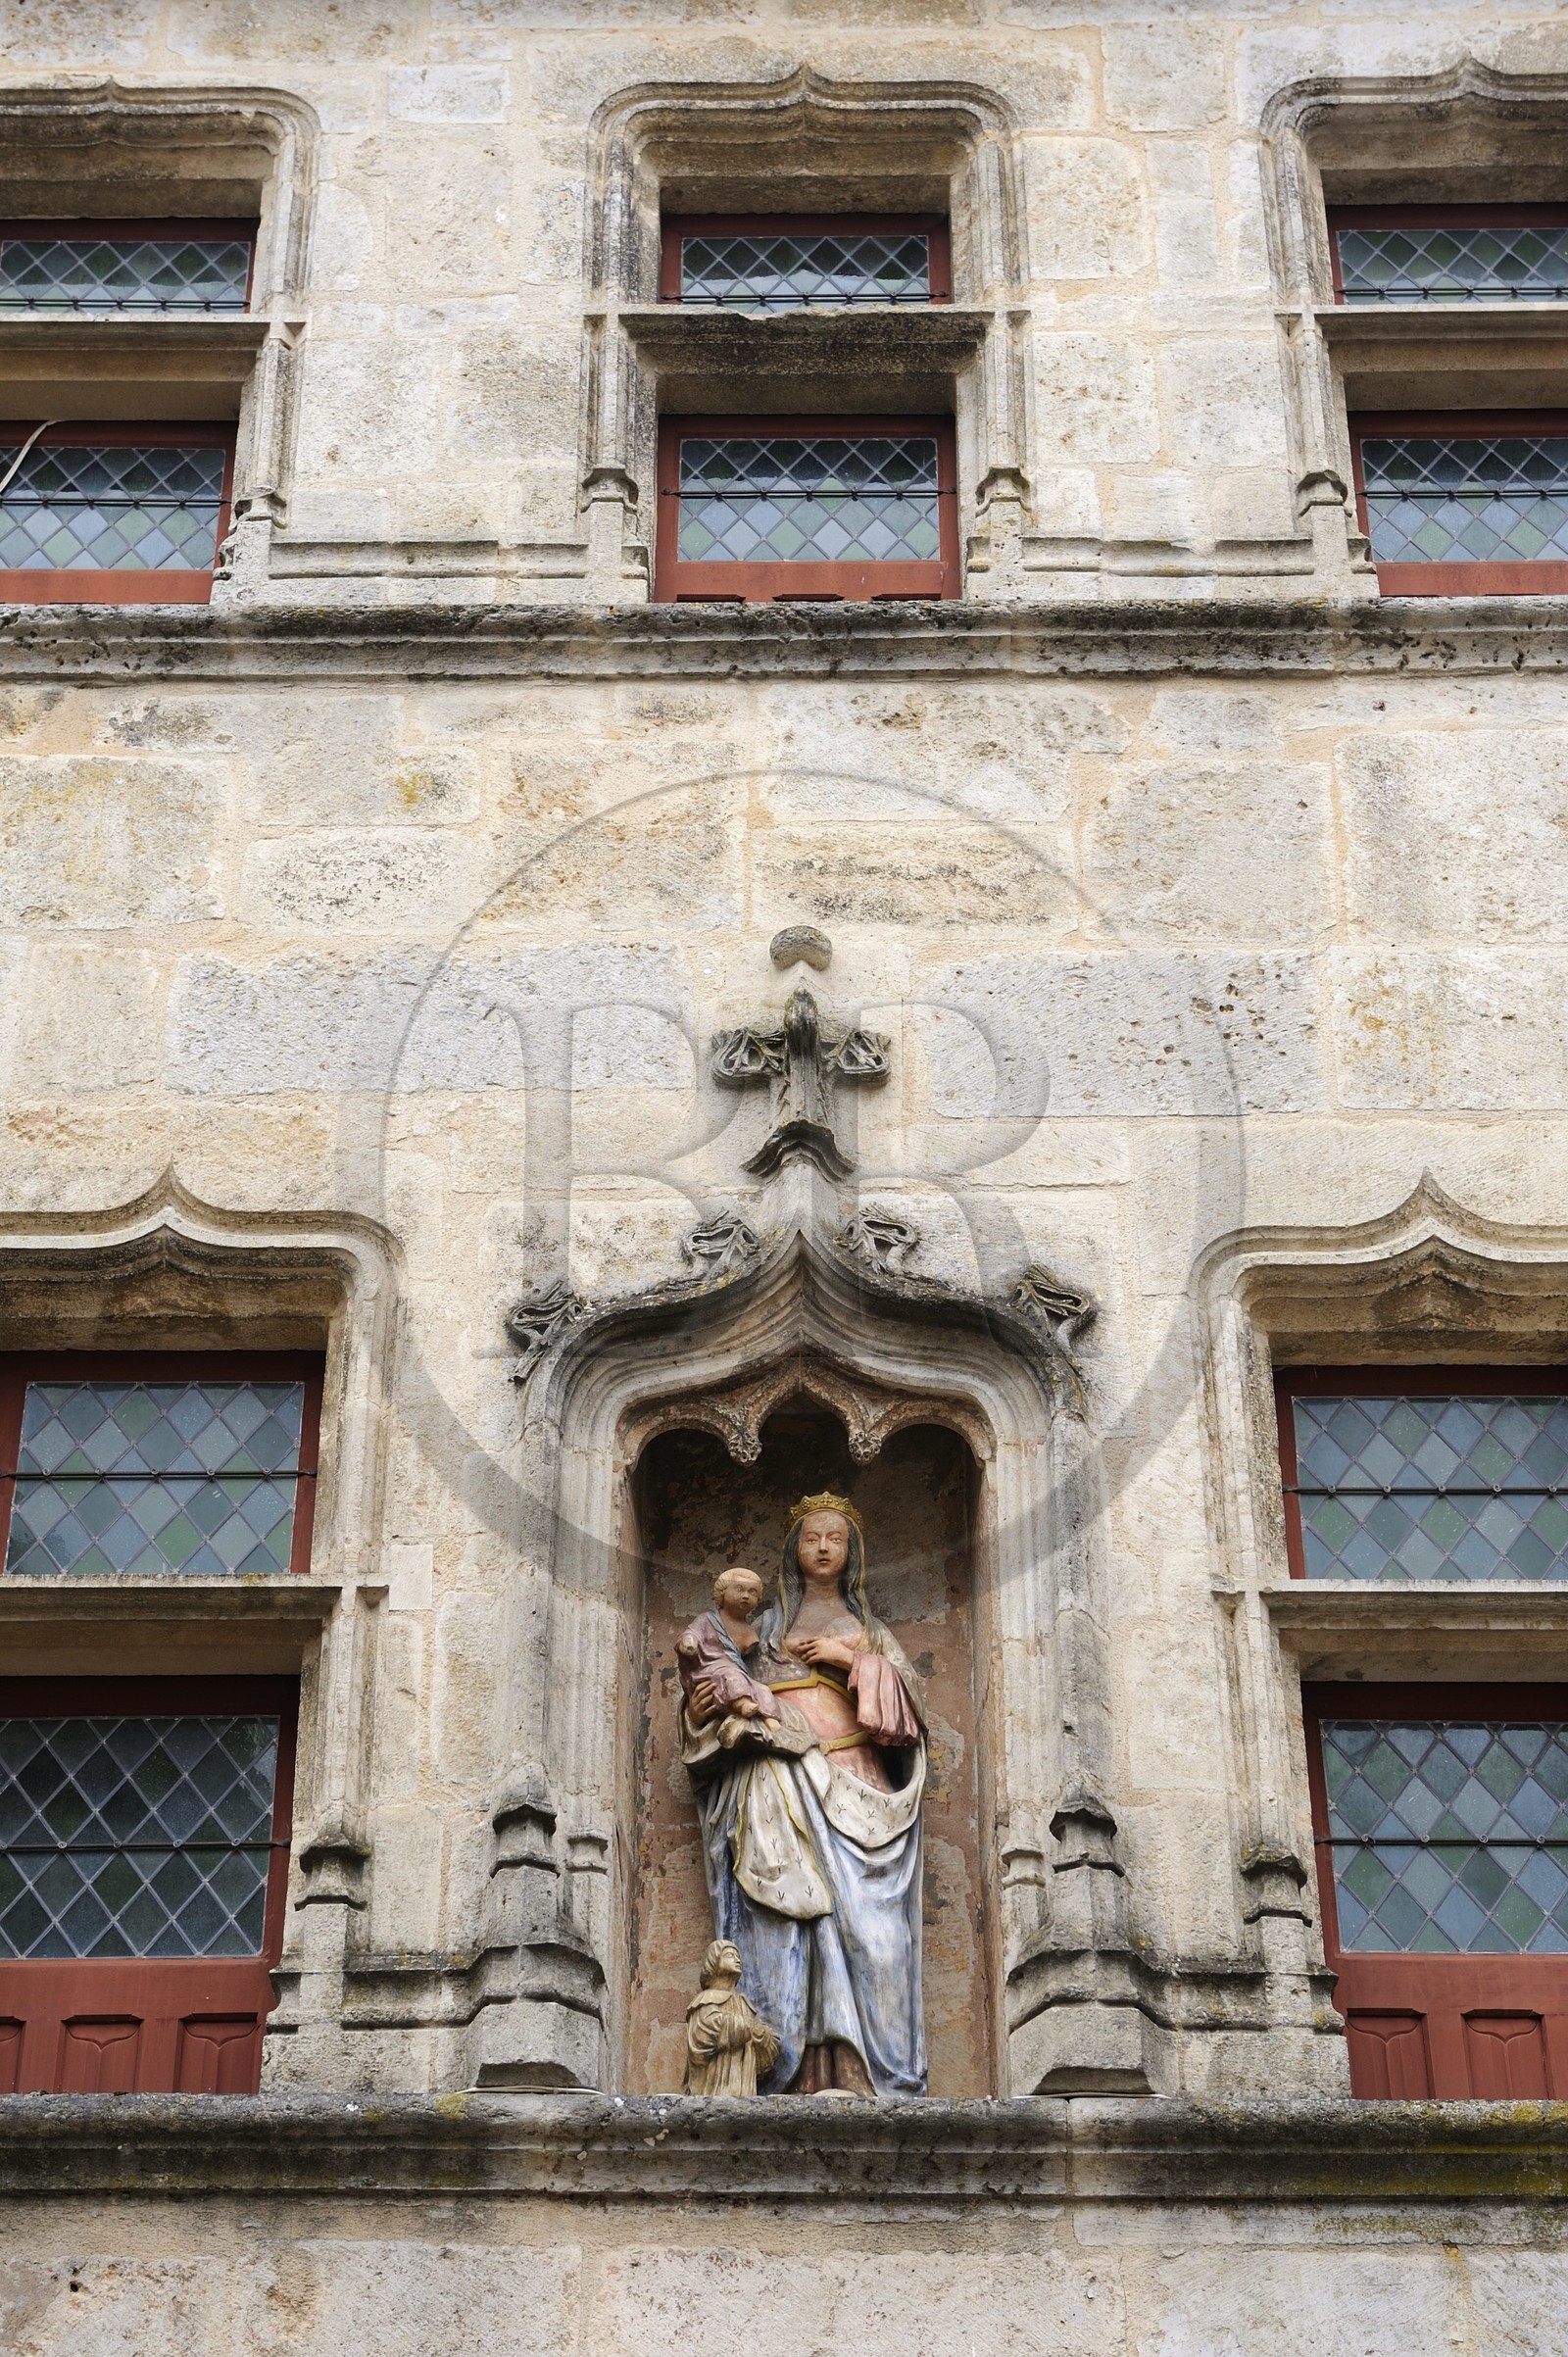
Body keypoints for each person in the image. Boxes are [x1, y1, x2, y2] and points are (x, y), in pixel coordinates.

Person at [678, 1492, 927, 2096]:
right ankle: (799, 2075)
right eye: (812, 1537)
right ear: (795, 1549)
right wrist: (697, 1709)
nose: (823, 1547)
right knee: (792, 1928)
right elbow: (715, 1683)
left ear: (852, 1553)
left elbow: (908, 1713)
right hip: (780, 1784)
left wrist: (851, 1659)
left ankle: (874, 2076)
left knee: (875, 1937)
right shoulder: (762, 1628)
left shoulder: (869, 1632)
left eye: (835, 1538)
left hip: (858, 1782)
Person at [675, 1566, 780, 1738]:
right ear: (722, 1592)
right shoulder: (707, 1620)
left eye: (752, 1592)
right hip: (712, 1671)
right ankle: (742, 1704)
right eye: (739, 1589)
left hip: (738, 1675)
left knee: (762, 1689)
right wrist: (689, 1643)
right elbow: (690, 1635)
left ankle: (769, 1718)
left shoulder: (754, 1632)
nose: (746, 1596)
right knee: (731, 1676)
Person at [682, 1938, 782, 2095]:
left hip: (745, 2087)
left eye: (738, 1957)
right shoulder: (705, 2000)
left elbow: (764, 2044)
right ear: (713, 1961)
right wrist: (747, 2028)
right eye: (729, 1955)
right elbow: (701, 2039)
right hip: (714, 2088)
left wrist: (764, 2038)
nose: (737, 1960)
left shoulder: (743, 2003)